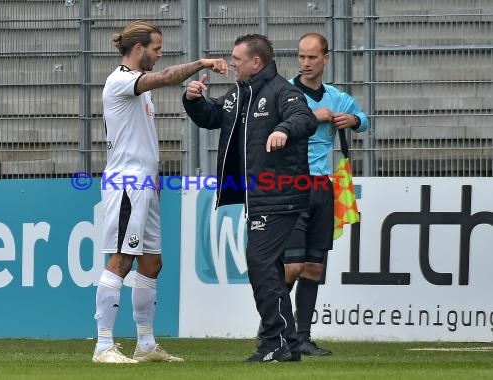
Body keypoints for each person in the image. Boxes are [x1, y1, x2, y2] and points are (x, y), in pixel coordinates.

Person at [93, 20, 228, 364]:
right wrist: (200, 62)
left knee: (152, 262)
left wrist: (154, 178)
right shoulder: (121, 80)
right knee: (121, 260)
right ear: (138, 49)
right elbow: (167, 76)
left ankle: (146, 344)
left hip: (144, 185)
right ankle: (103, 345)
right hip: (125, 185)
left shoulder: (139, 89)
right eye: (156, 49)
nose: (159, 55)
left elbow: (140, 139)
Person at [182, 34, 318, 363]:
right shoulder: (240, 92)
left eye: (237, 59)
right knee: (267, 265)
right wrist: (194, 99)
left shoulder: (283, 91)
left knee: (260, 264)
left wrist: (284, 130)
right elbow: (214, 117)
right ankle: (287, 344)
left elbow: (306, 119)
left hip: (280, 195)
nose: (231, 64)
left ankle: (274, 341)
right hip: (258, 197)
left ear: (256, 62)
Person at [285, 32, 368, 355]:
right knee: (291, 266)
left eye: (311, 57)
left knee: (314, 267)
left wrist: (355, 119)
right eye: (301, 57)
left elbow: (365, 121)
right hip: (291, 184)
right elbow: (273, 127)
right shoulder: (286, 94)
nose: (305, 63)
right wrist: (308, 118)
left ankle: (302, 337)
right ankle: (274, 329)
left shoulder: (337, 97)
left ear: (325, 59)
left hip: (323, 187)